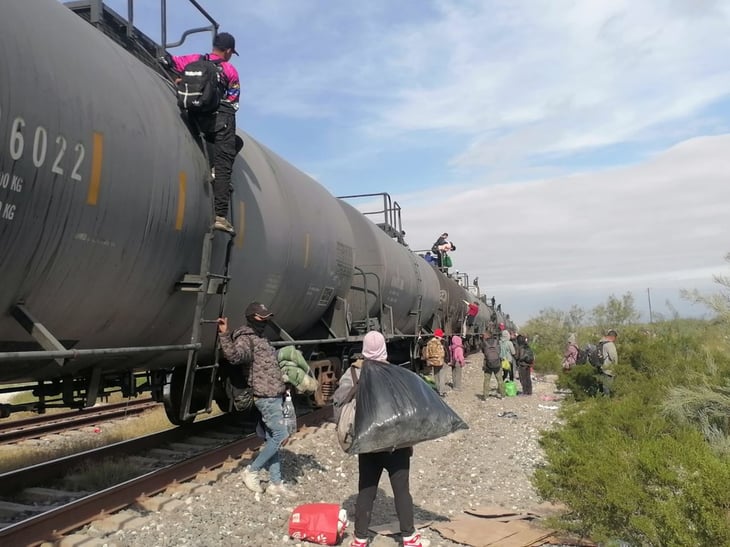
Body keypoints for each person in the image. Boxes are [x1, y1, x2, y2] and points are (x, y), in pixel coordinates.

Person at [332, 331, 430, 547]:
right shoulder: (396, 372)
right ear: (384, 349)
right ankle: (409, 537)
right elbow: (408, 410)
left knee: (366, 491)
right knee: (402, 491)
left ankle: (360, 538)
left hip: (367, 444)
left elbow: (338, 405)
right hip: (396, 445)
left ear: (365, 350)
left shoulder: (353, 373)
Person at [217, 301, 293, 497]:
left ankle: (276, 483)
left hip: (274, 394)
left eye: (267, 317)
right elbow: (234, 357)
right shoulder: (245, 338)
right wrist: (224, 334)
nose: (265, 321)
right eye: (261, 317)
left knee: (271, 437)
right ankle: (251, 470)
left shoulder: (261, 337)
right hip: (264, 396)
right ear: (251, 317)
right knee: (281, 435)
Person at [168, 32, 241, 234]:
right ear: (228, 51)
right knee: (226, 160)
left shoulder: (194, 59)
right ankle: (220, 216)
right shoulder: (229, 69)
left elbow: (168, 60)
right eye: (231, 52)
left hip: (192, 116)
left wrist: (178, 80)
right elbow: (233, 102)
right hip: (216, 123)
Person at [481, 331, 504, 399]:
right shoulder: (497, 342)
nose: (483, 336)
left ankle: (485, 396)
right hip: (497, 363)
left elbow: (483, 352)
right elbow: (499, 351)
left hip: (488, 364)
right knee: (500, 380)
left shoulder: (484, 343)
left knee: (487, 380)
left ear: (487, 336)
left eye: (484, 335)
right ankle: (503, 395)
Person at [425, 329, 447, 396]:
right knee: (442, 376)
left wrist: (429, 360)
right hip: (439, 361)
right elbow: (442, 353)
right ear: (439, 336)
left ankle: (437, 390)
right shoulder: (439, 343)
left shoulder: (429, 343)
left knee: (435, 375)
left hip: (432, 362)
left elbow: (426, 354)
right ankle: (441, 391)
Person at [599, 329, 619, 396]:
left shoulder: (602, 343)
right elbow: (613, 357)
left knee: (604, 386)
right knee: (607, 387)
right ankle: (607, 402)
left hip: (602, 367)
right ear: (613, 337)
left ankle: (602, 399)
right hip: (609, 369)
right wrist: (616, 368)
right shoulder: (610, 344)